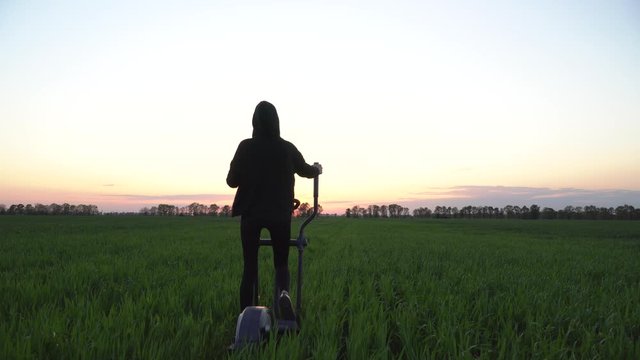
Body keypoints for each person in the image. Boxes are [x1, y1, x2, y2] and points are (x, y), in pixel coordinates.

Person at [226, 101, 322, 319]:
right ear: (276, 122)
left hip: (251, 214)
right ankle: (284, 295)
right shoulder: (286, 148)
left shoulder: (245, 147)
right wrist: (317, 169)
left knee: (249, 266)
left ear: (254, 121)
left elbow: (231, 182)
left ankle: (245, 316)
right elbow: (307, 171)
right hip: (280, 214)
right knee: (281, 263)